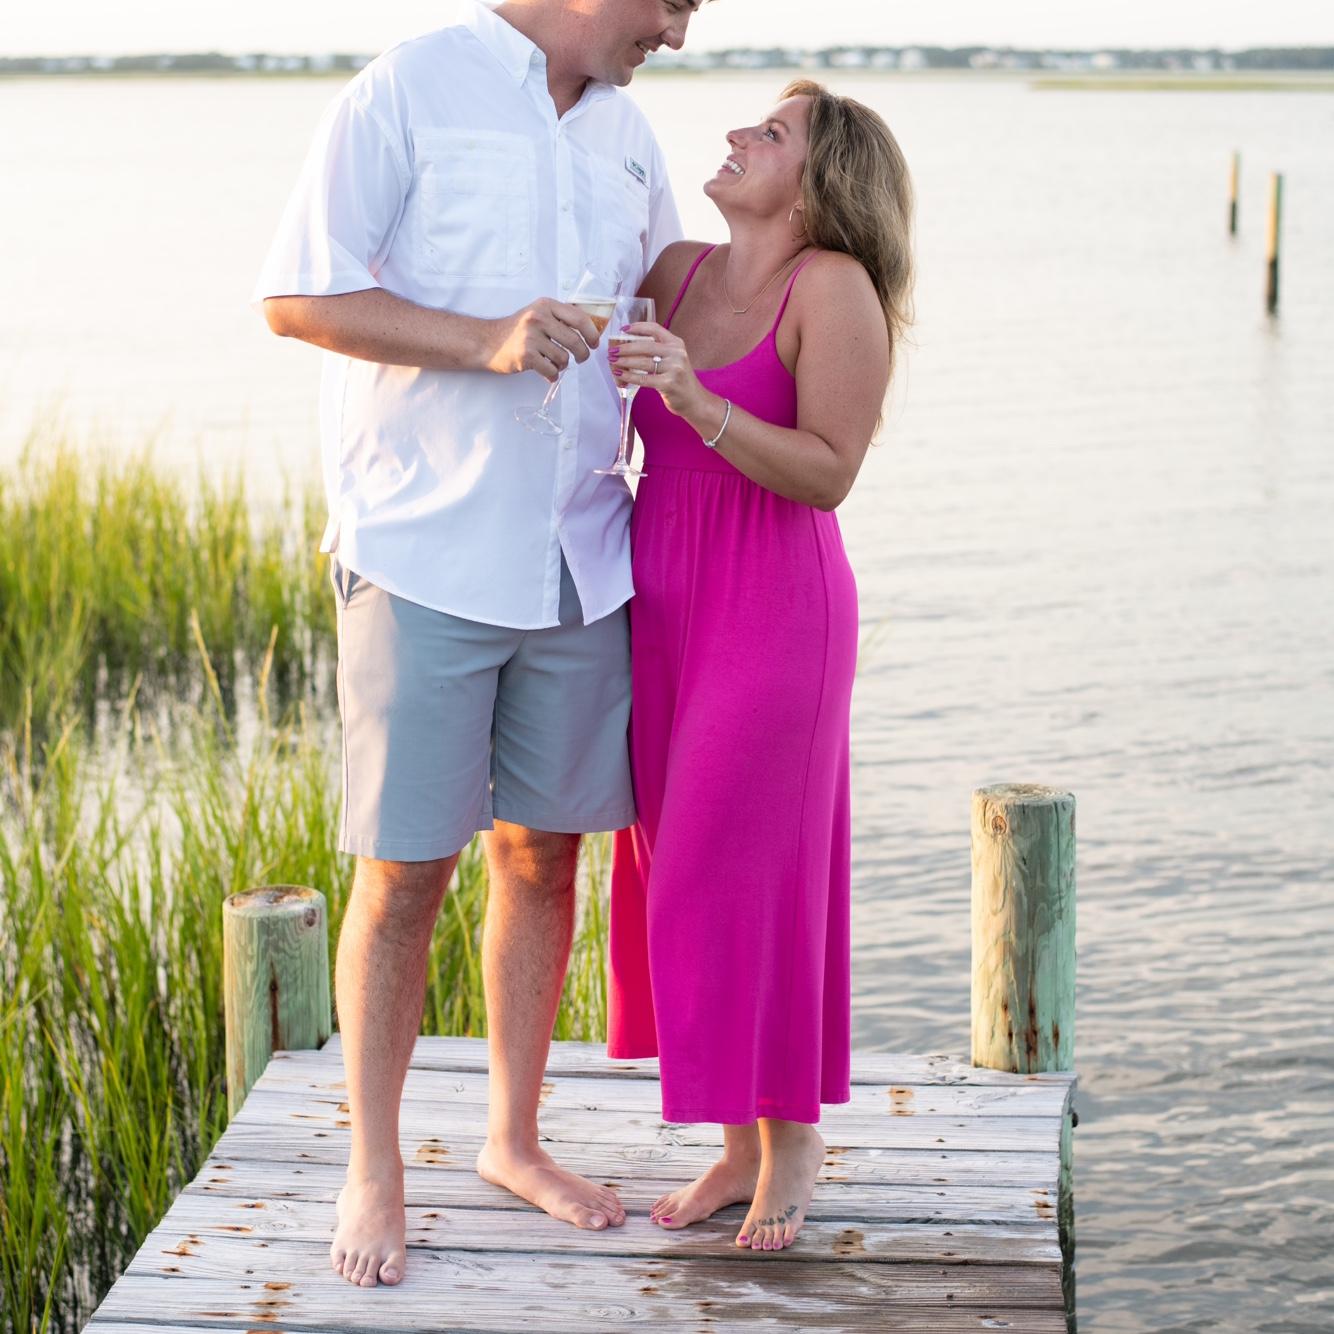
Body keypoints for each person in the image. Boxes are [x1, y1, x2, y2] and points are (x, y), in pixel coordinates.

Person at [253, 0, 700, 1291]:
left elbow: (686, 296)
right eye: (675, 1)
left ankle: (512, 1137)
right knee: (404, 873)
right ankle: (373, 1163)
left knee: (544, 857)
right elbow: (295, 295)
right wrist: (484, 340)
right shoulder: (409, 88)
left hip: (579, 555)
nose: (677, 33)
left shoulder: (629, 141)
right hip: (423, 551)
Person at [606, 79, 914, 1253]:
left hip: (773, 606)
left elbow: (830, 469)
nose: (736, 135)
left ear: (817, 183)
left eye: (770, 133)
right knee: (669, 862)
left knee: (740, 870)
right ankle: (735, 1139)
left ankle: (793, 1139)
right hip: (660, 602)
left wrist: (691, 397)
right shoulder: (674, 270)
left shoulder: (830, 287)